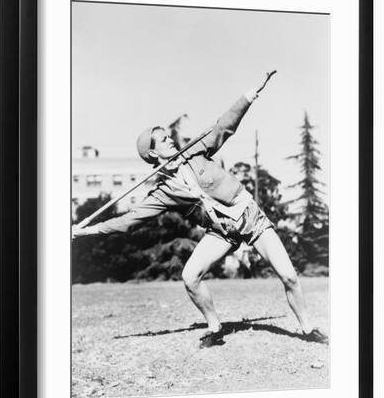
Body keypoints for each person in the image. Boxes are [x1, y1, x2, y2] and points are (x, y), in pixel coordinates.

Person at [73, 72, 328, 347]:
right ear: (153, 154)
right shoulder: (163, 192)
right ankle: (214, 327)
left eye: (168, 136)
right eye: (163, 140)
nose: (170, 140)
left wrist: (249, 96)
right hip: (221, 232)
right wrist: (86, 231)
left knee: (289, 275)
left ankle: (307, 328)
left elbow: (224, 127)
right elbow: (129, 221)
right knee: (190, 277)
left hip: (249, 217)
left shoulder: (195, 151)